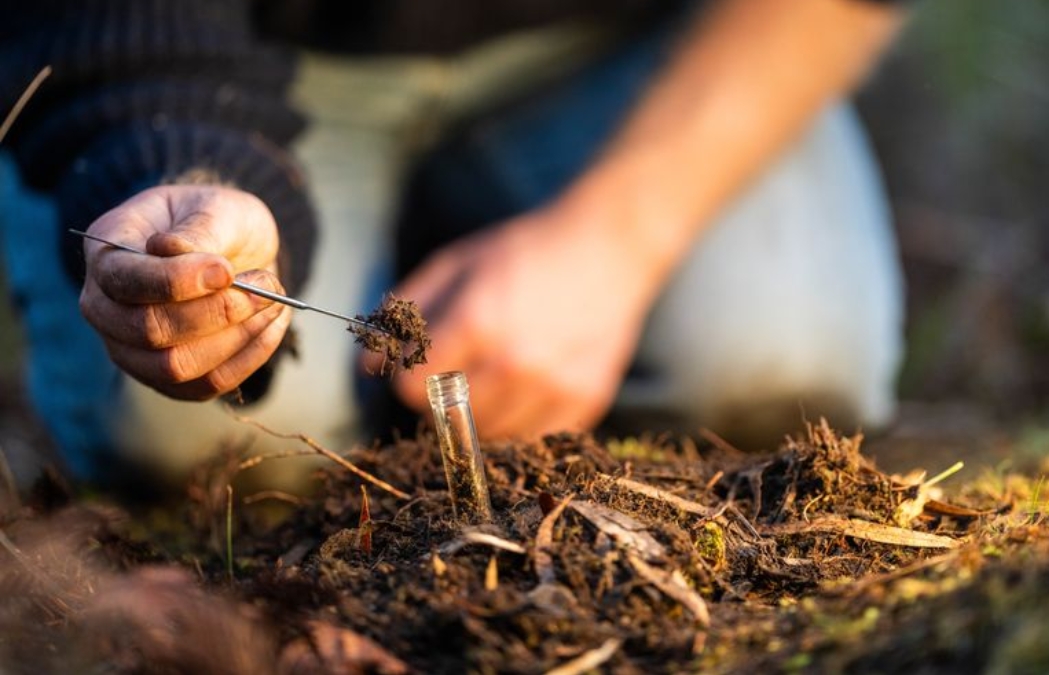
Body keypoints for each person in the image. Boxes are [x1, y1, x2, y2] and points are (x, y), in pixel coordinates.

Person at [0, 0, 908, 488]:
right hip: (247, 61)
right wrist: (186, 169)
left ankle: (430, 245)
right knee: (212, 447)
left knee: (775, 362)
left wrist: (613, 244)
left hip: (619, 45)